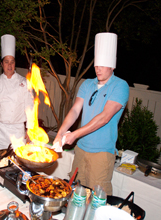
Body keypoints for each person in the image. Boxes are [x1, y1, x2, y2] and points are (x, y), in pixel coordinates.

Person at [53, 32, 129, 195]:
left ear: (112, 65)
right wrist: (60, 133)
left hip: (102, 154)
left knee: (96, 200)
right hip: (81, 150)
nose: (98, 68)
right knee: (75, 194)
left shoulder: (120, 86)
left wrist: (75, 134)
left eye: (103, 64)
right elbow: (75, 110)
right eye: (96, 64)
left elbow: (105, 117)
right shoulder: (87, 84)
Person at [0, 34, 34, 150]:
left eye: (12, 62)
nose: (9, 65)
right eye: (6, 62)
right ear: (2, 64)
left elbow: (30, 106)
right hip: (0, 130)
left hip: (18, 131)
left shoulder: (24, 83)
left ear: (15, 64)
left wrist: (30, 128)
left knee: (16, 162)